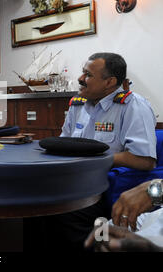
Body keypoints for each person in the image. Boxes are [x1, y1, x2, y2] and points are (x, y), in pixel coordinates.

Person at [43, 52, 157, 251]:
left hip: (106, 185)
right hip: (72, 180)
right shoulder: (77, 105)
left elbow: (145, 160)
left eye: (88, 75)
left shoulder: (132, 106)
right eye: (82, 73)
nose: (80, 79)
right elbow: (64, 144)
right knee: (38, 205)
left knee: (65, 213)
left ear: (109, 82)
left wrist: (93, 162)